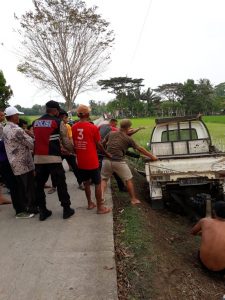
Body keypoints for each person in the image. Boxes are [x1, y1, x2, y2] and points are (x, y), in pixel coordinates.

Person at [33, 100, 75, 221]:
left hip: (38, 159)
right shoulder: (58, 122)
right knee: (61, 184)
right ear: (55, 111)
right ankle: (66, 209)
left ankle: (43, 211)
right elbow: (66, 141)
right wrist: (72, 150)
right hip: (53, 158)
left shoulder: (35, 122)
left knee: (39, 186)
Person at [101, 119, 157, 205]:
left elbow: (103, 143)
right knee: (128, 179)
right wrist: (152, 156)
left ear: (120, 126)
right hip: (118, 161)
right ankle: (133, 199)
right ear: (128, 128)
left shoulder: (111, 133)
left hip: (106, 160)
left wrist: (106, 152)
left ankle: (101, 197)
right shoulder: (128, 138)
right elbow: (140, 149)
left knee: (104, 179)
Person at [72, 104, 111, 214]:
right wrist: (106, 153)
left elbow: (73, 144)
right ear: (88, 114)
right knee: (98, 183)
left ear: (78, 115)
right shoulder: (92, 127)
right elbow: (99, 145)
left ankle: (90, 203)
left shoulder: (74, 127)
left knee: (86, 183)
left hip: (81, 161)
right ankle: (100, 207)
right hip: (92, 161)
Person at [3, 106, 36, 218]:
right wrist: (30, 135)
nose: (18, 117)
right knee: (27, 187)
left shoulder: (5, 128)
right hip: (23, 163)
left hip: (13, 162)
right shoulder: (17, 130)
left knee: (20, 187)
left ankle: (26, 207)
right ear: (12, 116)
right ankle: (28, 208)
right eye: (17, 115)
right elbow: (31, 143)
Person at [191, 201, 225, 273]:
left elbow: (193, 232)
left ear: (214, 211)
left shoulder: (205, 221)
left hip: (203, 263)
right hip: (221, 270)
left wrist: (203, 233)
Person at [58, 109, 83, 190]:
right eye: (66, 118)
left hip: (67, 150)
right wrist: (62, 148)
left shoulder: (66, 126)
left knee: (75, 167)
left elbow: (68, 138)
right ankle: (56, 186)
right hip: (61, 150)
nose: (67, 120)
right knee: (57, 169)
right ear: (63, 117)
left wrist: (72, 149)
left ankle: (80, 183)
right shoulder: (57, 124)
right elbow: (59, 139)